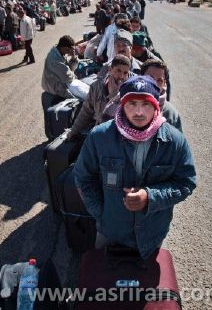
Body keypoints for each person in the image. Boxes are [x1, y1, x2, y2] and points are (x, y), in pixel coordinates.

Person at [74, 75, 197, 259]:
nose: (139, 112)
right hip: (110, 233)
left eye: (146, 104)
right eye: (132, 103)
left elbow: (186, 182)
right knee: (104, 273)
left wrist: (150, 197)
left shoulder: (174, 141)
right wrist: (102, 214)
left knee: (147, 275)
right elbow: (83, 177)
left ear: (156, 105)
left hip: (152, 234)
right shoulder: (99, 137)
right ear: (122, 104)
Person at [68, 55, 133, 140]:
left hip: (119, 135)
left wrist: (115, 94)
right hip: (98, 131)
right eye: (118, 70)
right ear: (110, 69)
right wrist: (74, 131)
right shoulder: (97, 87)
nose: (121, 76)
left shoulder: (130, 91)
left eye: (125, 73)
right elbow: (86, 112)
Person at [141, 59, 182, 132]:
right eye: (150, 78)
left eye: (159, 80)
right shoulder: (127, 105)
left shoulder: (170, 113)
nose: (154, 83)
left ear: (164, 84)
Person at [41, 35, 79, 104]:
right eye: (70, 49)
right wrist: (74, 75)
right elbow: (68, 78)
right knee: (77, 100)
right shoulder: (55, 59)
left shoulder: (60, 52)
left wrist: (73, 57)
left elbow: (70, 69)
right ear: (65, 48)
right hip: (54, 87)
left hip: (59, 83)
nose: (71, 51)